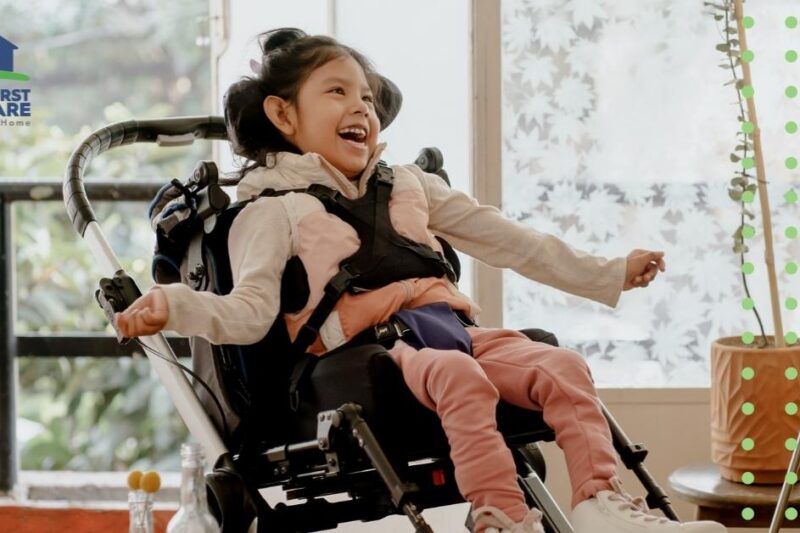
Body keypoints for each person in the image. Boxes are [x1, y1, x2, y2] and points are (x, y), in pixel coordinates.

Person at [116, 28, 726, 533]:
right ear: (282, 113)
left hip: (454, 331)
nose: (363, 108)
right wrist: (172, 305)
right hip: (373, 354)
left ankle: (603, 504)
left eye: (369, 98)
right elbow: (249, 311)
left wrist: (608, 271)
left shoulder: (409, 185)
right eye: (337, 92)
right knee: (459, 376)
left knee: (560, 365)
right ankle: (501, 515)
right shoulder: (271, 211)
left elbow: (513, 241)